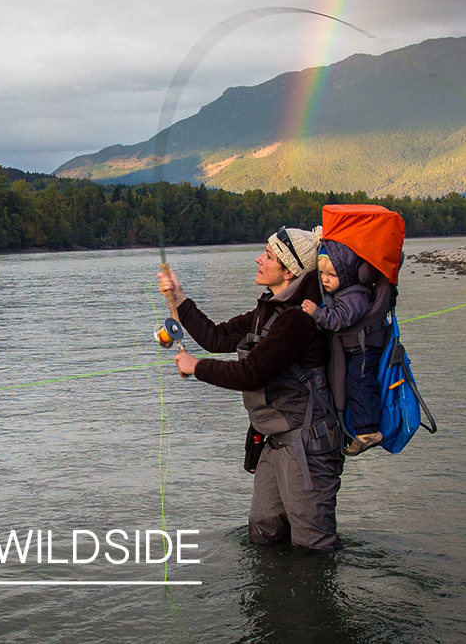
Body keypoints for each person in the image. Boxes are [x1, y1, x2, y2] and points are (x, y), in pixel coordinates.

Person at [158, 227, 344, 550]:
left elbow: (251, 374)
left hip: (308, 447)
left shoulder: (297, 320)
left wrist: (195, 366)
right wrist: (179, 297)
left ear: (288, 270)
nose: (259, 259)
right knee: (263, 529)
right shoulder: (268, 311)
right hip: (275, 443)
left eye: (269, 256)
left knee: (313, 546)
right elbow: (216, 338)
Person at [301, 242, 384, 456]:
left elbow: (340, 320)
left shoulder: (356, 295)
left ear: (347, 274)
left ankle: (369, 432)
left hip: (363, 352)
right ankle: (355, 429)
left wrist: (316, 313)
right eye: (321, 273)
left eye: (332, 275)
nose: (325, 279)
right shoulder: (344, 292)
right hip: (353, 351)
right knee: (350, 387)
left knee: (360, 387)